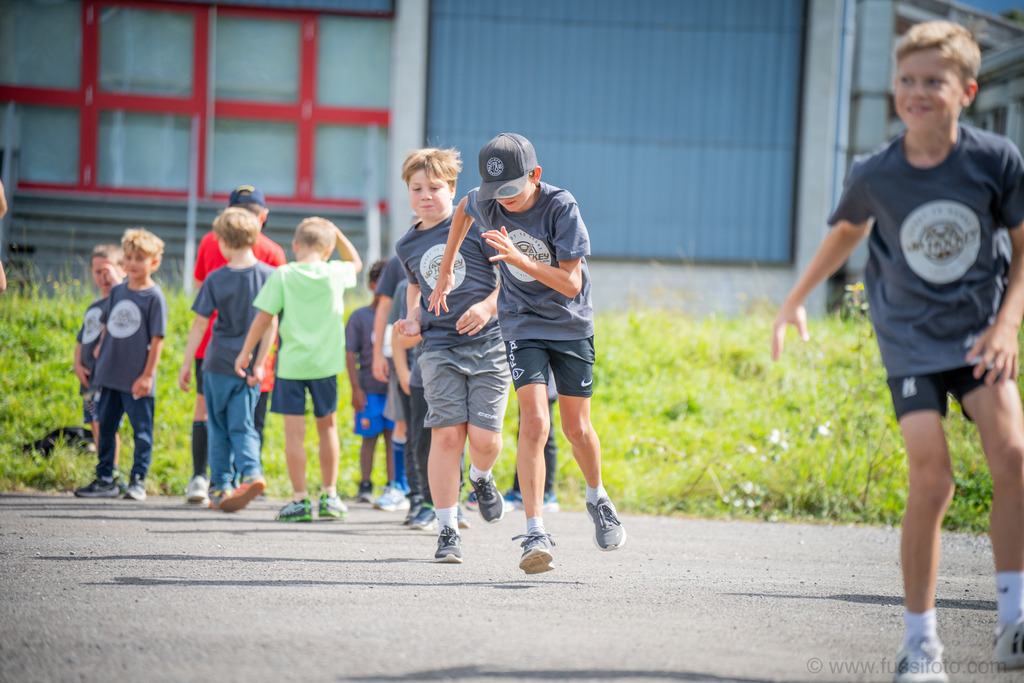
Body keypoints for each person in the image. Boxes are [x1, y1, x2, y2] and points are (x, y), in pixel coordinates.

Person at [771, 21, 1024, 681]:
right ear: (893, 88)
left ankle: (1014, 621)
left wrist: (1007, 325)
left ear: (966, 90)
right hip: (910, 339)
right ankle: (920, 646)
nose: (916, 92)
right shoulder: (875, 171)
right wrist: (796, 297)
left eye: (932, 81)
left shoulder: (995, 159)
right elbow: (847, 231)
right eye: (906, 80)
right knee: (932, 478)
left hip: (978, 334)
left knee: (1014, 457)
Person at [429, 133, 627, 575]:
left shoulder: (561, 207)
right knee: (535, 421)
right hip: (521, 321)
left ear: (535, 176)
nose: (504, 202)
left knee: (577, 428)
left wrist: (519, 259)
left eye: (512, 191)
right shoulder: (485, 201)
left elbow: (571, 284)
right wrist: (445, 273)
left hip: (570, 323)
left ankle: (598, 498)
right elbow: (462, 212)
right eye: (494, 193)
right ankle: (535, 531)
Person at [393, 147, 510, 564]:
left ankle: (480, 476)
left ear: (453, 189)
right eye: (416, 188)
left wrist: (487, 306)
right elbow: (414, 288)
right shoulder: (407, 243)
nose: (426, 195)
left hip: (489, 344)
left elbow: (509, 279)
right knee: (445, 436)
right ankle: (446, 529)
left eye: (435, 188)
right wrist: (411, 319)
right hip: (439, 347)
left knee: (484, 440)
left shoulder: (477, 226)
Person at [235, 217, 362, 522]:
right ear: (328, 248)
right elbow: (355, 262)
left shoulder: (283, 274)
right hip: (325, 365)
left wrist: (246, 353)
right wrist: (336, 230)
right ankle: (330, 496)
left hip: (291, 365)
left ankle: (300, 500)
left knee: (294, 433)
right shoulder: (334, 272)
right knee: (327, 428)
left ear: (295, 246)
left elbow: (263, 319)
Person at [186, 185, 286, 506]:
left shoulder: (216, 278)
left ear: (224, 242)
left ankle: (221, 486)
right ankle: (252, 472)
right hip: (249, 367)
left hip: (217, 364)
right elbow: (271, 323)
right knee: (244, 425)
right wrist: (260, 362)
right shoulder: (271, 275)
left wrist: (187, 363)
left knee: (217, 425)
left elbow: (201, 324)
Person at [74, 228, 168, 501]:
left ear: (154, 262)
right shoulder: (117, 292)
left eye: (140, 258)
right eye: (128, 257)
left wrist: (148, 376)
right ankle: (105, 478)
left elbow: (157, 339)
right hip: (109, 376)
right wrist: (101, 354)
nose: (133, 263)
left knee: (142, 433)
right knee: (104, 427)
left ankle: (137, 480)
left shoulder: (154, 297)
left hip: (136, 379)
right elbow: (108, 328)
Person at [73, 244, 127, 497]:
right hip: (88, 378)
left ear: (122, 270)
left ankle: (111, 472)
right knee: (93, 423)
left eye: (107, 271)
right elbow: (81, 338)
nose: (101, 277)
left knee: (105, 423)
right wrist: (77, 363)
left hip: (106, 379)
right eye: (96, 271)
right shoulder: (93, 306)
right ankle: (103, 470)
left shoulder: (121, 303)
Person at [345, 258, 399, 507]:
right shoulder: (359, 317)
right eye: (381, 283)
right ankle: (365, 485)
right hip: (369, 390)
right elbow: (350, 354)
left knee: (393, 437)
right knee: (369, 438)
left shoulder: (400, 317)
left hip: (394, 389)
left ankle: (394, 483)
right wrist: (356, 388)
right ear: (371, 285)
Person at [502, 372, 560, 512]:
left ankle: (545, 493)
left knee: (541, 435)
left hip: (543, 379)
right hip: (533, 378)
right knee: (528, 435)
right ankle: (521, 491)